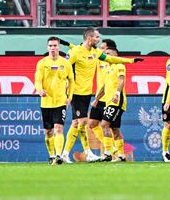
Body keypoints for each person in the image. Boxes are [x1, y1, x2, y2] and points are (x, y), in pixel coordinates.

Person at [60, 27, 143, 163]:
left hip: (87, 93)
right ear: (89, 38)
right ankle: (89, 152)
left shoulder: (95, 53)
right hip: (76, 92)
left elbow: (110, 58)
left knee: (78, 123)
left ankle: (67, 153)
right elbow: (65, 68)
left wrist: (131, 61)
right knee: (82, 122)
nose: (99, 40)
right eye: (97, 37)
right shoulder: (75, 52)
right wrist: (65, 88)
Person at [35, 36, 74, 165]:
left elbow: (72, 81)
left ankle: (58, 156)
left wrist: (70, 96)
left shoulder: (66, 63)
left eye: (55, 46)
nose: (53, 48)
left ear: (59, 47)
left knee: (58, 128)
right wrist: (40, 90)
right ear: (47, 47)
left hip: (60, 101)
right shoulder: (42, 63)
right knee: (48, 132)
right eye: (50, 46)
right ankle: (51, 155)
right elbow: (37, 80)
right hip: (46, 102)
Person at [96, 41, 129, 162]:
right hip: (109, 101)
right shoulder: (108, 68)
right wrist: (97, 99)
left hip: (117, 101)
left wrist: (117, 93)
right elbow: (105, 86)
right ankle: (121, 155)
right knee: (115, 129)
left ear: (115, 54)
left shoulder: (119, 65)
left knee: (104, 124)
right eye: (105, 54)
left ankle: (108, 153)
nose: (107, 56)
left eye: (109, 54)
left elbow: (121, 80)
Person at [86, 39, 114, 161]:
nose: (101, 50)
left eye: (103, 48)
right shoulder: (98, 60)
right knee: (92, 124)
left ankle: (112, 151)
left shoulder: (113, 64)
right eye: (101, 48)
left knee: (110, 127)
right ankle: (111, 148)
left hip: (108, 98)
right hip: (99, 97)